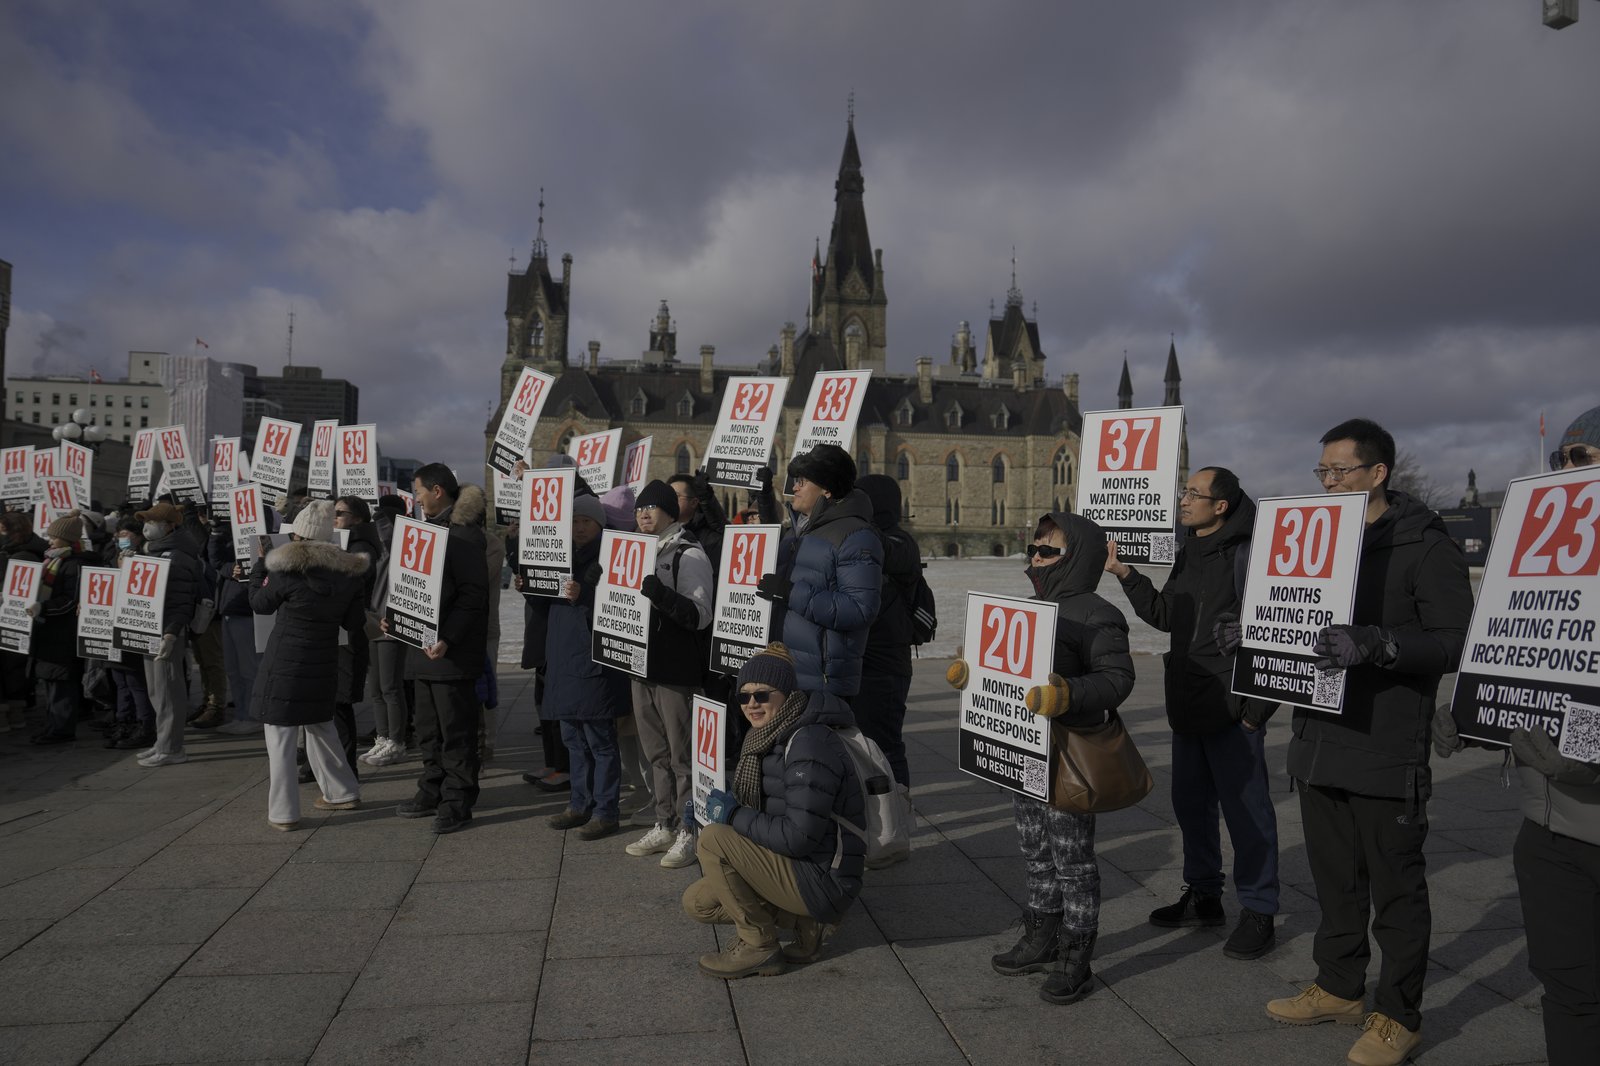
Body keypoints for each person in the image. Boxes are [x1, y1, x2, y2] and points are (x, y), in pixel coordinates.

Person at [1248, 419, 1471, 1066]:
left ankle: (1398, 1016)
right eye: (1321, 471)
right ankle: (1340, 986)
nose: (1328, 482)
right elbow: (1291, 621)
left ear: (1378, 474)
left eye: (1340, 470)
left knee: (1396, 894)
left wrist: (1380, 644)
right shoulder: (1311, 542)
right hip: (1320, 741)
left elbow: (1456, 641)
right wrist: (1255, 646)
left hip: (1384, 745)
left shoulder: (1425, 547)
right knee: (1335, 883)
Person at [1435, 421, 1600, 1066]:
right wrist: (1480, 717)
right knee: (1568, 992)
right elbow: (1543, 671)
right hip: (1551, 829)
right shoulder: (1545, 554)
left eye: (1581, 457)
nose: (1566, 468)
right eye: (1561, 457)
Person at [948, 511, 1134, 1005]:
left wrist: (1066, 693)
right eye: (1033, 548)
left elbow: (1117, 679)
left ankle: (1077, 952)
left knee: (1072, 860)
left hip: (1068, 755)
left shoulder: (1097, 613)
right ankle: (1041, 934)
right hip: (1021, 751)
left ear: (1075, 557)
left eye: (1047, 551)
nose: (1035, 557)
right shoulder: (1028, 606)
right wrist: (971, 673)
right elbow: (1004, 668)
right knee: (1035, 851)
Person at [1104, 466, 1280, 960]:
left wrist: (1254, 713)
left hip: (1233, 709)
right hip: (1187, 703)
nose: (1182, 500)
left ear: (1220, 505)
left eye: (1192, 494)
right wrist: (1125, 573)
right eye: (1184, 492)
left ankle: (1260, 910)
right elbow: (1165, 617)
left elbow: (1285, 630)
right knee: (1191, 808)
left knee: (1248, 815)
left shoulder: (1253, 555)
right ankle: (1204, 894)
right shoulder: (1190, 550)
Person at [682, 642, 865, 978]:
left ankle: (759, 946)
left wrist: (732, 816)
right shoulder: (766, 736)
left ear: (786, 694)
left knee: (714, 841)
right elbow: (766, 810)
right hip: (797, 864)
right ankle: (805, 923)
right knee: (698, 902)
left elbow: (798, 837)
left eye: (763, 694)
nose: (752, 704)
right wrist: (706, 810)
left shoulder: (807, 742)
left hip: (824, 877)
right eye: (744, 696)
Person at [248, 500, 367, 831]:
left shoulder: (285, 570)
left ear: (297, 535)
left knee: (281, 734)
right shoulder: (348, 575)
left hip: (285, 662)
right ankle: (342, 791)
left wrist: (260, 567)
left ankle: (284, 812)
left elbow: (260, 604)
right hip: (324, 660)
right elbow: (354, 621)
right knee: (321, 726)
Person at [393, 467, 489, 835]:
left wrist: (448, 636)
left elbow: (472, 596)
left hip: (451, 653)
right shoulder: (424, 530)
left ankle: (457, 801)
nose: (415, 498)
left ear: (437, 490)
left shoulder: (464, 534)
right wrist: (394, 617)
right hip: (422, 650)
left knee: (456, 732)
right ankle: (431, 789)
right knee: (429, 731)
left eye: (418, 492)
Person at [623, 480, 714, 869]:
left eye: (652, 508)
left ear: (670, 514)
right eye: (639, 508)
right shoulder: (630, 549)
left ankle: (689, 831)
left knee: (682, 756)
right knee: (654, 752)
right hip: (640, 666)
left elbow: (699, 615)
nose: (643, 514)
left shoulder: (688, 553)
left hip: (675, 670)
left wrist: (659, 594)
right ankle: (665, 821)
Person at [755, 444, 883, 697]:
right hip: (786, 672)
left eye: (802, 481)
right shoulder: (796, 532)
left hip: (821, 683)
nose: (794, 487)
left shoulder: (855, 536)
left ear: (826, 488)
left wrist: (791, 593)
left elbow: (860, 609)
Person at [541, 493, 630, 841]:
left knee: (600, 741)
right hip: (565, 662)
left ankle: (606, 811)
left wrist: (587, 595)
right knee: (573, 740)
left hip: (594, 665)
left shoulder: (611, 556)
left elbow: (620, 604)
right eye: (574, 521)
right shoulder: (558, 555)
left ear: (600, 524)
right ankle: (579, 804)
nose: (579, 527)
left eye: (586, 521)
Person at [848, 473, 920, 789]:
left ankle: (898, 815)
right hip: (862, 661)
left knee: (886, 747)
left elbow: (878, 550)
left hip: (886, 667)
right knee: (861, 747)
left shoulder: (899, 542)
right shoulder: (871, 536)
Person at [133, 501, 206, 768]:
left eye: (151, 522)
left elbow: (181, 601)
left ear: (169, 526)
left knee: (168, 690)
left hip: (166, 631)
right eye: (145, 522)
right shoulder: (153, 552)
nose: (146, 527)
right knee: (156, 690)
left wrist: (171, 633)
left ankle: (172, 747)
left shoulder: (176, 557)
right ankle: (163, 741)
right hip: (149, 627)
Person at [28, 512, 95, 744]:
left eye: (53, 537)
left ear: (66, 539)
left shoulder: (75, 564)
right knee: (51, 681)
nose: (49, 540)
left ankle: (62, 729)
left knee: (61, 682)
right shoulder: (53, 560)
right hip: (48, 631)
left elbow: (70, 600)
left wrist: (42, 607)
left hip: (63, 632)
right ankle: (54, 725)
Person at [331, 496, 381, 772]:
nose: (334, 516)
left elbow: (351, 587)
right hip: (339, 631)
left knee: (340, 702)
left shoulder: (362, 548)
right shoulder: (344, 542)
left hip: (349, 633)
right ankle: (329, 765)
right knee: (332, 702)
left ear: (358, 518)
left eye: (339, 512)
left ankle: (345, 768)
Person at [364, 494, 410, 766]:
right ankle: (382, 737)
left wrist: (378, 513)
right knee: (377, 688)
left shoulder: (397, 546)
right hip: (374, 620)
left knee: (391, 687)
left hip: (391, 623)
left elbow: (388, 528)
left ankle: (396, 741)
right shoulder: (377, 549)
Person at [105, 520, 157, 750]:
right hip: (112, 627)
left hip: (133, 627)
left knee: (136, 682)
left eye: (126, 534)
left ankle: (145, 725)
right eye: (119, 534)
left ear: (138, 536)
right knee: (121, 681)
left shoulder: (146, 557)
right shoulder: (112, 556)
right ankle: (124, 721)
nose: (121, 537)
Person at [0, 511, 48, 734]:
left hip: (12, 615)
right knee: (15, 665)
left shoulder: (18, 556)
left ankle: (7, 714)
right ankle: (16, 711)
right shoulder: (33, 550)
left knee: (9, 665)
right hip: (22, 617)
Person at [668, 470, 726, 580]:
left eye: (676, 496)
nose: (670, 500)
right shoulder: (658, 534)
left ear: (694, 502)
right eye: (668, 495)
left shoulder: (712, 540)